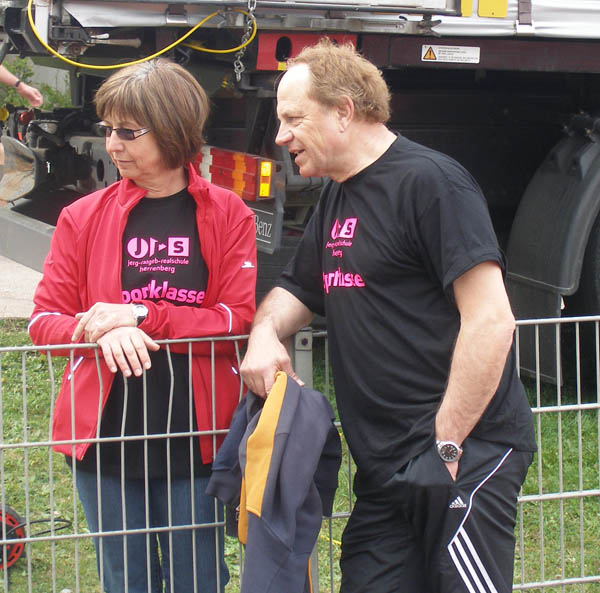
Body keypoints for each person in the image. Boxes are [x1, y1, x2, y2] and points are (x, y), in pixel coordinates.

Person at [240, 38, 536, 593]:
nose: (280, 137)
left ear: (344, 111)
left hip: (463, 456)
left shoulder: (432, 184)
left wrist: (445, 447)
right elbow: (296, 289)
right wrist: (263, 334)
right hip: (383, 472)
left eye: (293, 119)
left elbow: (492, 321)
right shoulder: (336, 198)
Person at [28, 58, 257, 593]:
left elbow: (234, 320)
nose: (113, 144)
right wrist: (100, 329)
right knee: (127, 580)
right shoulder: (81, 217)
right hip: (105, 437)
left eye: (129, 132)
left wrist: (141, 316)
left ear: (174, 131)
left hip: (193, 438)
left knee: (197, 578)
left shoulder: (229, 214)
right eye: (108, 129)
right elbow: (43, 323)